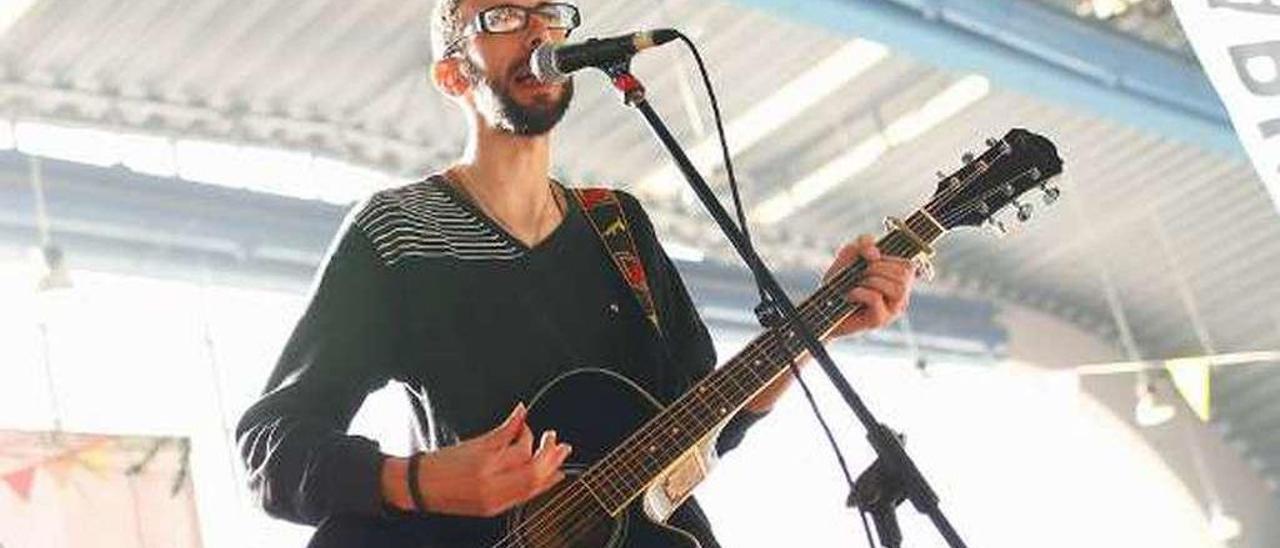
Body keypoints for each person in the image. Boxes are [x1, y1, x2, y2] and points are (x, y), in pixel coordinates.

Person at [234, 0, 918, 546]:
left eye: (549, 13)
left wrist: (816, 328)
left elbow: (703, 421)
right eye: (501, 16)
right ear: (452, 76)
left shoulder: (617, 225)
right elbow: (272, 445)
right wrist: (418, 482)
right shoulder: (398, 231)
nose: (535, 29)